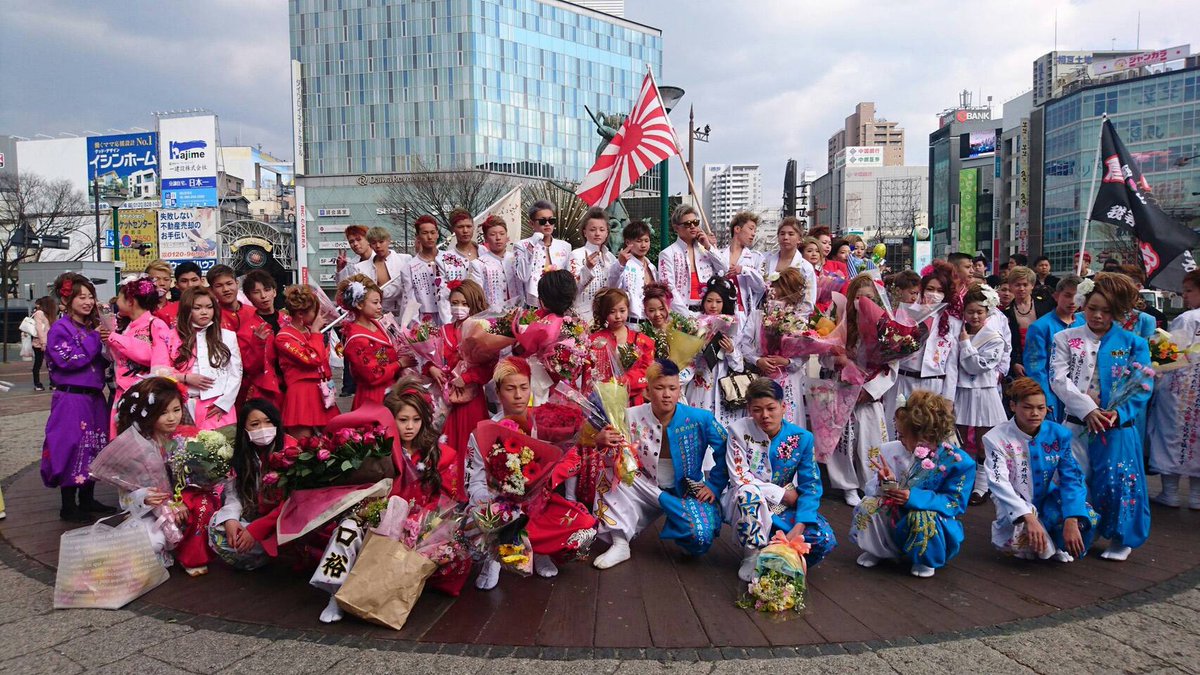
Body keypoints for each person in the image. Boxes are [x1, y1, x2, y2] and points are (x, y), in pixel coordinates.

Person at [467, 357, 597, 589]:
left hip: (540, 503)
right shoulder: (481, 434)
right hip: (501, 509)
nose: (518, 395)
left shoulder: (547, 422)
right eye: (510, 388)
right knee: (485, 515)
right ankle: (495, 555)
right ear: (497, 392)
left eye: (524, 387)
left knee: (585, 525)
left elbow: (571, 457)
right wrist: (496, 506)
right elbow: (474, 482)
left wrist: (597, 439)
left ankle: (541, 551)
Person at [1050, 272, 1152, 561]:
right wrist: (1088, 409)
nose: (1097, 316)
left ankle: (1123, 539)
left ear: (1117, 312)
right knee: (1072, 478)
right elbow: (1058, 379)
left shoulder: (1134, 344)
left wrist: (1117, 414)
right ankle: (1072, 535)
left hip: (1117, 427)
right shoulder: (1065, 338)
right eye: (1092, 308)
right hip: (1076, 423)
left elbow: (1143, 386)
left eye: (1105, 311)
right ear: (1082, 304)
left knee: (1117, 480)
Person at [593, 359, 729, 570]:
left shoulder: (701, 419)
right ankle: (620, 542)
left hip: (685, 489)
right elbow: (612, 453)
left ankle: (682, 531)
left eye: (672, 388)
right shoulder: (629, 416)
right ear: (647, 391)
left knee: (700, 538)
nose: (667, 394)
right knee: (610, 474)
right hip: (643, 485)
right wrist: (600, 439)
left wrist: (714, 485)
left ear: (679, 390)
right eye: (660, 388)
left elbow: (727, 451)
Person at [850, 390, 976, 578]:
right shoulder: (889, 450)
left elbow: (954, 502)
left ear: (924, 434)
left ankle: (925, 557)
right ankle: (879, 549)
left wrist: (914, 497)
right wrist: (885, 484)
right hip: (893, 512)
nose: (899, 439)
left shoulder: (957, 461)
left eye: (903, 435)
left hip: (931, 517)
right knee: (868, 505)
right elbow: (871, 491)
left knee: (921, 517)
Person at [723, 377, 837, 582]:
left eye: (771, 408)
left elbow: (810, 485)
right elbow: (740, 478)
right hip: (747, 505)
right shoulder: (737, 431)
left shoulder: (802, 438)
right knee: (747, 493)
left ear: (783, 407)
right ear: (749, 409)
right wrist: (782, 494)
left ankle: (779, 558)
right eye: (757, 409)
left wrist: (800, 524)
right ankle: (753, 554)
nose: (764, 415)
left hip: (782, 510)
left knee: (823, 539)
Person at [984, 378, 1096, 561]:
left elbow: (1072, 477)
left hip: (1049, 496)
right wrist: (1027, 516)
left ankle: (1058, 541)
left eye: (1041, 408)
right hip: (1016, 500)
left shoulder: (1059, 434)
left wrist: (1072, 517)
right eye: (1028, 407)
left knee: (1084, 513)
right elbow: (999, 483)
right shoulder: (995, 438)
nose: (1035, 413)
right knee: (1024, 550)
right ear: (1013, 406)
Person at [384, 379, 470, 594]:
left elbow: (446, 500)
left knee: (454, 554)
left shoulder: (439, 454)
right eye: (403, 420)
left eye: (416, 419)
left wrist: (420, 524)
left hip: (424, 526)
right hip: (385, 525)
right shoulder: (381, 452)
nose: (410, 427)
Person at [41, 274, 113, 522]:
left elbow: (102, 359)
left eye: (90, 296)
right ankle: (68, 505)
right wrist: (96, 337)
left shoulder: (90, 328)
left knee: (94, 447)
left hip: (93, 398)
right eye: (81, 297)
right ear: (68, 299)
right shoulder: (60, 328)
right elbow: (68, 360)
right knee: (69, 447)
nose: (88, 302)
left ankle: (87, 499)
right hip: (71, 399)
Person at [827, 274, 896, 506]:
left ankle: (871, 481)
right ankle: (847, 485)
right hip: (844, 389)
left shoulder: (886, 326)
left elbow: (892, 365)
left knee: (870, 439)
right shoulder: (842, 323)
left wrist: (871, 390)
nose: (862, 301)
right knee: (844, 439)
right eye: (858, 296)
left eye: (868, 297)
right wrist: (839, 360)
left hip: (868, 394)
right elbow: (825, 354)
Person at [112, 377, 190, 567]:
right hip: (153, 514)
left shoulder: (188, 438)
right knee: (152, 541)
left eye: (176, 410)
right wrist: (143, 497)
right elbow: (125, 499)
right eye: (163, 412)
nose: (172, 418)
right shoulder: (135, 449)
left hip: (189, 508)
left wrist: (185, 501)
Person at [425, 279, 495, 484]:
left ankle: (471, 486)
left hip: (470, 400)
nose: (459, 308)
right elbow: (427, 357)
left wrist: (467, 378)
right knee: (446, 445)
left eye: (464, 303)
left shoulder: (482, 330)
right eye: (454, 302)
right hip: (445, 402)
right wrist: (432, 368)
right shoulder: (443, 330)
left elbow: (489, 366)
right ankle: (448, 486)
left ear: (474, 304)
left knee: (470, 445)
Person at [209, 399, 283, 571]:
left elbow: (291, 504)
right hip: (256, 519)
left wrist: (255, 531)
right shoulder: (244, 456)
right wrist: (231, 519)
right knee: (217, 526)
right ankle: (256, 552)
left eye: (268, 422)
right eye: (255, 424)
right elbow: (235, 493)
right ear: (245, 429)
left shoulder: (290, 451)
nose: (263, 429)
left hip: (280, 523)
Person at [1148, 269, 1200, 509]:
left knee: (1172, 437)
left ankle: (1169, 492)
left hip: (1179, 390)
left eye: (1189, 290)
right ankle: (1196, 496)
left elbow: (1165, 357)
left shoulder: (1187, 319)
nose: (1185, 295)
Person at [955, 284, 1009, 505]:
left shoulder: (994, 337)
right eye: (970, 311)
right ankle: (959, 483)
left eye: (980, 311)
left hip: (985, 391)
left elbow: (978, 365)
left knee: (982, 442)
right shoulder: (958, 331)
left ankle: (981, 485)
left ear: (988, 312)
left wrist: (966, 344)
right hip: (961, 391)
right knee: (956, 440)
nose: (975, 316)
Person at [887, 261, 961, 418]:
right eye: (930, 289)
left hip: (934, 385)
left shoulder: (952, 322)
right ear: (922, 290)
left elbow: (952, 364)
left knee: (929, 433)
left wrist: (948, 398)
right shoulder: (905, 313)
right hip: (904, 381)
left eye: (940, 290)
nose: (934, 294)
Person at [745, 267, 812, 431]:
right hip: (763, 376)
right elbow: (743, 345)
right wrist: (758, 360)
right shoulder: (758, 315)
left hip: (789, 379)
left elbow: (804, 356)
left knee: (789, 422)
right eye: (773, 289)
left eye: (780, 291)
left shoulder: (798, 320)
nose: (775, 295)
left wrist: (787, 361)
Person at [107, 274, 174, 432]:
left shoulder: (156, 324)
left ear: (131, 301)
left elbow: (151, 357)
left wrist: (114, 338)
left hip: (145, 393)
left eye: (120, 297)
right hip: (123, 392)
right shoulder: (127, 326)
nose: (117, 301)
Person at [170, 287, 242, 431]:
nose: (204, 312)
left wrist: (224, 403)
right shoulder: (173, 336)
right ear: (186, 310)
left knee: (221, 449)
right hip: (183, 404)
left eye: (209, 307)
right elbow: (161, 371)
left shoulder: (227, 336)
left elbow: (236, 372)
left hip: (218, 406)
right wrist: (185, 378)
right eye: (197, 308)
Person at [209, 265, 280, 408]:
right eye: (219, 286)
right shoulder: (211, 317)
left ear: (237, 283)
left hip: (260, 381)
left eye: (229, 284)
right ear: (211, 290)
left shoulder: (254, 312)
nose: (226, 289)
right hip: (226, 383)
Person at [684, 277, 744, 439]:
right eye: (709, 300)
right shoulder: (694, 323)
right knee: (699, 425)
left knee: (723, 430)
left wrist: (731, 350)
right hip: (700, 381)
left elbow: (739, 367)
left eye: (718, 301)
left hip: (723, 383)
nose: (713, 305)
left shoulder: (733, 325)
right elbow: (686, 357)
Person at [276, 285, 337, 437]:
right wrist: (316, 333)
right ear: (300, 314)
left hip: (323, 390)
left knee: (334, 442)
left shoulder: (309, 330)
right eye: (314, 311)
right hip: (301, 394)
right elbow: (312, 360)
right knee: (302, 448)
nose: (318, 316)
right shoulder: (284, 337)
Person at [337, 274, 401, 409]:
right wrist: (399, 364)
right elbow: (372, 375)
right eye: (375, 302)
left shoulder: (377, 324)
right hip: (373, 396)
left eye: (380, 302)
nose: (380, 306)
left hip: (390, 389)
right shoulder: (356, 338)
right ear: (360, 304)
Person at [1023, 276, 1081, 423]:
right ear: (1056, 296)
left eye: (1078, 296)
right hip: (1053, 393)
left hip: (1081, 392)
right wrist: (1045, 398)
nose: (1072, 301)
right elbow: (1036, 368)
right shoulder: (1040, 327)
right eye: (1067, 295)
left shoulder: (1085, 324)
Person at [588, 288, 655, 405]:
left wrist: (623, 381)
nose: (618, 316)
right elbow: (589, 373)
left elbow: (648, 370)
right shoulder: (595, 340)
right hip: (604, 401)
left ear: (628, 310)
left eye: (622, 310)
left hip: (634, 401)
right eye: (612, 312)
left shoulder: (643, 341)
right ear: (604, 313)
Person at [658, 205, 726, 314]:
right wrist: (687, 316)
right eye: (688, 224)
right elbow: (668, 289)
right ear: (676, 228)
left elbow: (724, 269)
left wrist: (709, 246)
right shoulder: (667, 254)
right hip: (682, 316)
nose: (693, 226)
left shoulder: (705, 249)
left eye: (695, 222)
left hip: (707, 312)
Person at [336, 225, 374, 396]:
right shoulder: (352, 266)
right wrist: (340, 270)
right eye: (351, 241)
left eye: (359, 239)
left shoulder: (380, 260)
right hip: (359, 320)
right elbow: (344, 293)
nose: (355, 244)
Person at [514, 200, 572, 308]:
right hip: (533, 303)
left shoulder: (565, 246)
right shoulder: (522, 245)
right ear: (531, 223)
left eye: (551, 220)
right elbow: (522, 276)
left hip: (559, 303)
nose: (547, 224)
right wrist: (532, 245)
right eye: (542, 221)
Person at [1004, 266, 1055, 378]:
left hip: (1048, 359)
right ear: (1011, 286)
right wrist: (1014, 363)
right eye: (1017, 285)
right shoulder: (1005, 314)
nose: (1021, 288)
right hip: (1021, 364)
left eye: (1025, 285)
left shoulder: (1046, 305)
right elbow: (1006, 343)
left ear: (1032, 285)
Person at [568, 206, 617, 323]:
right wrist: (587, 268)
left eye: (601, 229)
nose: (597, 233)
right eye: (592, 229)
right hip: (583, 316)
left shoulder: (610, 257)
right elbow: (572, 288)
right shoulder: (576, 254)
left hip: (607, 315)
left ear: (607, 233)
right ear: (584, 232)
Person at [718, 212, 766, 325]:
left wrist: (744, 270)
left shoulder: (756, 258)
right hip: (721, 313)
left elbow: (761, 287)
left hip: (744, 315)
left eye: (755, 231)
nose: (753, 234)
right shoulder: (719, 255)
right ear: (737, 229)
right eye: (751, 229)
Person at [763, 218, 818, 315]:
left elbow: (809, 302)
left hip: (792, 322)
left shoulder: (805, 268)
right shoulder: (765, 261)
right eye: (782, 234)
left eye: (791, 234)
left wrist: (790, 319)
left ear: (799, 239)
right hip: (765, 316)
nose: (785, 237)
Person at [400, 216, 449, 323]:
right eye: (425, 233)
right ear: (418, 236)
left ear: (437, 234)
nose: (429, 237)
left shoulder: (448, 259)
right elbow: (410, 300)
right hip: (426, 319)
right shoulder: (409, 267)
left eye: (432, 232)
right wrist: (416, 325)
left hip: (450, 314)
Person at [607, 220, 658, 323]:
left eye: (646, 240)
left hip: (651, 322)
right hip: (630, 322)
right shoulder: (622, 264)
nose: (643, 245)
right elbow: (611, 285)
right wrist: (620, 264)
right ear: (627, 242)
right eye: (639, 241)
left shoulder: (652, 267)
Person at [468, 215, 521, 309]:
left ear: (507, 236)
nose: (498, 238)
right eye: (492, 234)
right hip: (493, 316)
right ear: (486, 238)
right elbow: (477, 296)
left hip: (519, 312)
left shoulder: (517, 259)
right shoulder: (479, 264)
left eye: (502, 233)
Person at [355, 225, 410, 314]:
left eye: (381, 242)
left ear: (388, 241)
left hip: (404, 312)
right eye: (373, 243)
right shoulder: (361, 268)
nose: (378, 246)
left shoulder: (405, 260)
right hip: (377, 315)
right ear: (370, 244)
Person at [156, 261, 205, 329]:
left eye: (194, 280)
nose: (190, 285)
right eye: (184, 281)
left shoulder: (213, 309)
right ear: (176, 284)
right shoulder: (164, 313)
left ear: (202, 281)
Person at [1116, 265, 1161, 337]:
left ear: (1138, 286)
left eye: (1124, 284)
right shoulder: (1105, 314)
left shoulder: (1146, 320)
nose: (1118, 289)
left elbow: (1146, 347)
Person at [30, 296, 55, 391]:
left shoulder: (47, 314)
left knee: (50, 363)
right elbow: (39, 329)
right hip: (40, 343)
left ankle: (53, 382)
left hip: (48, 343)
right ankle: (37, 384)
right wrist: (43, 343)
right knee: (38, 363)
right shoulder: (40, 313)